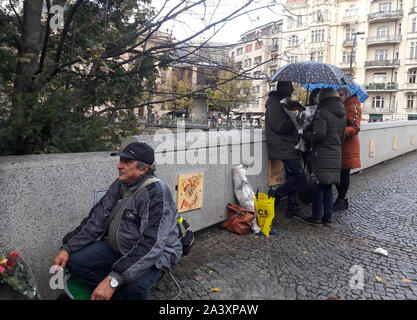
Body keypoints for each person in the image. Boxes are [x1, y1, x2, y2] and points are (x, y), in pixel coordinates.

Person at [52, 142, 182, 300]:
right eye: (120, 160)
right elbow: (96, 219)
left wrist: (113, 280)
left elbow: (151, 245)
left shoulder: (156, 194)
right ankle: (116, 295)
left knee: (135, 287)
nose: (119, 166)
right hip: (121, 248)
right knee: (74, 261)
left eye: (127, 162)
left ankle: (119, 289)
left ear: (144, 168)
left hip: (156, 256)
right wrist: (67, 247)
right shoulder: (121, 184)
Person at [299, 88, 346, 225]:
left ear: (323, 98)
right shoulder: (342, 113)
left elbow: (319, 134)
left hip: (322, 153)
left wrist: (305, 134)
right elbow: (342, 136)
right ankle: (328, 215)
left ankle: (317, 215)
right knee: (328, 184)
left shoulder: (323, 112)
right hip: (336, 152)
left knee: (319, 184)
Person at [265, 81, 303, 218]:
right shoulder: (275, 103)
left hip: (290, 144)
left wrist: (301, 115)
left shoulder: (288, 101)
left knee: (292, 175)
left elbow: (300, 116)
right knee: (298, 174)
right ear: (282, 87)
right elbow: (278, 126)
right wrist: (294, 123)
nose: (293, 88)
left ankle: (293, 206)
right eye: (290, 86)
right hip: (282, 145)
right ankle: (275, 195)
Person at [334, 87, 362, 211]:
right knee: (337, 175)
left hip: (347, 146)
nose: (338, 97)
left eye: (340, 95)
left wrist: (339, 131)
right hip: (339, 145)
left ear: (347, 95)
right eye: (337, 95)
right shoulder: (340, 106)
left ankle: (341, 200)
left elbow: (355, 128)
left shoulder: (353, 106)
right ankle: (342, 200)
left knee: (343, 175)